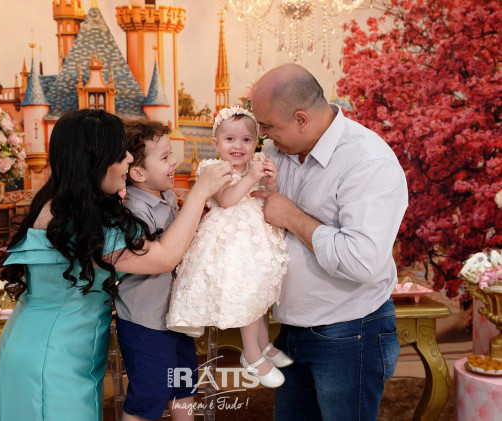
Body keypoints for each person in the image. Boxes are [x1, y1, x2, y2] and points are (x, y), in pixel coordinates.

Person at [0, 109, 232, 421]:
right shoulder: (80, 220)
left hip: (63, 351)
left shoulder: (69, 204)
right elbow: (164, 257)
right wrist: (200, 191)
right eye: (121, 154)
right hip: (49, 357)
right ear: (95, 160)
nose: (129, 160)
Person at [249, 63, 409, 421]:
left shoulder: (368, 161)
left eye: (268, 125)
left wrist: (291, 216)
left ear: (301, 119)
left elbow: (362, 262)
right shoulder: (276, 151)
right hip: (291, 327)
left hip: (350, 332)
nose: (263, 134)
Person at [166, 105, 291, 388]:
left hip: (257, 237)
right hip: (229, 241)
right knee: (247, 290)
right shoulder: (213, 168)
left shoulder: (254, 166)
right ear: (216, 143)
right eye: (230, 139)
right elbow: (225, 200)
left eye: (246, 139)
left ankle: (263, 343)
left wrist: (270, 181)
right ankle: (251, 354)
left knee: (261, 291)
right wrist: (251, 177)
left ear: (255, 142)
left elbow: (265, 196)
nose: (238, 146)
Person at [115, 119, 196, 421]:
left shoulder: (167, 195)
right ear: (137, 173)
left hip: (176, 315)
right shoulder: (133, 210)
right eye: (164, 157)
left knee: (184, 385)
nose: (174, 161)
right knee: (148, 398)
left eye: (171, 153)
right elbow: (163, 255)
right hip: (147, 322)